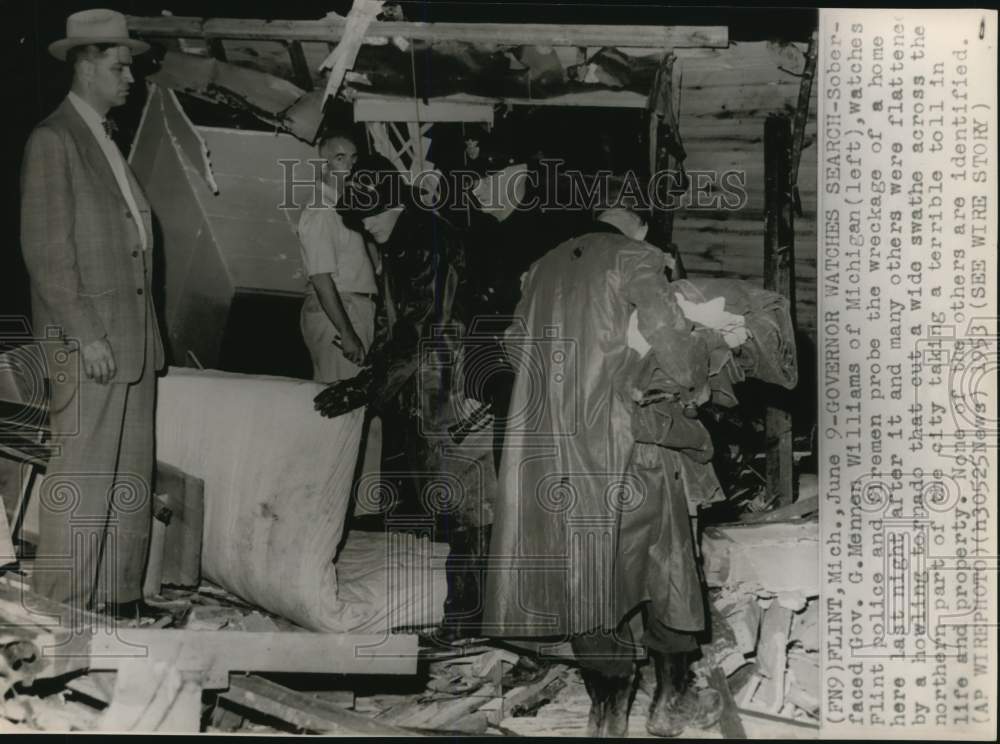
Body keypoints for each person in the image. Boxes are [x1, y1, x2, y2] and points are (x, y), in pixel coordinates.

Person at [482, 206, 724, 737]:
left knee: (587, 573)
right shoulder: (635, 256)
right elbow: (668, 333)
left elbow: (515, 346)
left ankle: (606, 712)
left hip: (559, 451)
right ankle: (671, 701)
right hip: (629, 443)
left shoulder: (542, 268)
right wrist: (697, 381)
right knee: (666, 565)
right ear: (640, 227)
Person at [20, 9, 166, 621]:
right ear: (85, 67)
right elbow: (47, 255)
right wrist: (87, 336)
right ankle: (59, 613)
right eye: (120, 67)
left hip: (131, 341)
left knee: (128, 476)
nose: (131, 78)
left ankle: (118, 602)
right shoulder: (54, 140)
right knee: (82, 478)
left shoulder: (104, 139)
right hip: (92, 343)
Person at [314, 154, 497, 640]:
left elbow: (421, 328)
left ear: (394, 201)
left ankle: (469, 623)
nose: (365, 226)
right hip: (434, 387)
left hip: (452, 388)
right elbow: (392, 325)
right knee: (457, 506)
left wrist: (366, 387)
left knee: (469, 509)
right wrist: (371, 376)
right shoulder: (404, 242)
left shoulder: (423, 241)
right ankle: (469, 617)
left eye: (370, 215)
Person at [297, 131, 381, 486]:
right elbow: (321, 278)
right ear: (323, 164)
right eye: (340, 158)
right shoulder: (321, 210)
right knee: (342, 413)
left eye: (354, 158)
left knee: (354, 413)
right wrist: (347, 333)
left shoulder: (344, 208)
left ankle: (351, 500)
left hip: (355, 310)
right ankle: (331, 494)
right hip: (341, 312)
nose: (350, 165)